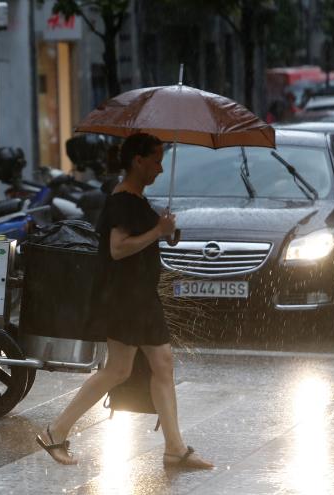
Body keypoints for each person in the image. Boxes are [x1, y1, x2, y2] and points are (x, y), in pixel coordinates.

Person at [36, 133, 213, 470]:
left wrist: (165, 231)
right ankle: (54, 431)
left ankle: (175, 449)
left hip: (139, 297)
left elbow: (142, 239)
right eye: (156, 160)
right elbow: (118, 249)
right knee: (118, 369)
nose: (160, 168)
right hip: (125, 298)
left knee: (161, 365)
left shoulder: (135, 200)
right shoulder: (122, 201)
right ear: (138, 161)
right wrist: (156, 231)